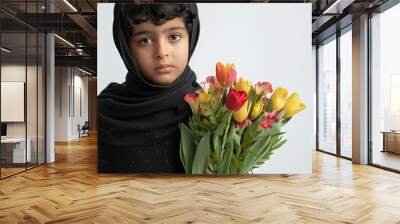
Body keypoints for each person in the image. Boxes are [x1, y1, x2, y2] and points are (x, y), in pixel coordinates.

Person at [97, 3, 201, 173]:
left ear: (191, 36)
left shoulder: (215, 111)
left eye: (174, 36)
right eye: (145, 40)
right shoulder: (103, 115)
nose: (162, 52)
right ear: (126, 46)